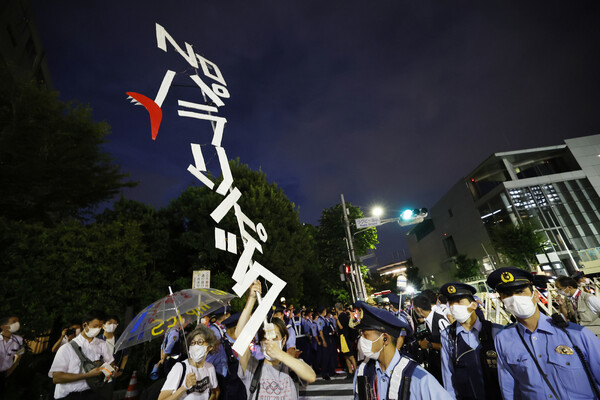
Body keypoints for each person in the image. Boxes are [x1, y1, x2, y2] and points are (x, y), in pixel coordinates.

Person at [487, 266, 600, 399]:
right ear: (502, 301)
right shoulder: (503, 339)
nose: (515, 298)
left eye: (520, 291)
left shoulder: (575, 334)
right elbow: (510, 389)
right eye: (507, 294)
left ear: (535, 295)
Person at [353, 301, 452, 399]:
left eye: (365, 335)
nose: (361, 340)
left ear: (385, 339)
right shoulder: (362, 372)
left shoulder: (418, 378)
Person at [236, 280, 316, 399]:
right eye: (265, 338)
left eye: (275, 338)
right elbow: (239, 335)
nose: (270, 342)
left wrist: (280, 354)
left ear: (283, 340)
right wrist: (252, 299)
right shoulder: (252, 367)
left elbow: (311, 376)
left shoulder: (291, 366)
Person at [439, 282, 502, 400]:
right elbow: (448, 375)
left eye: (459, 301)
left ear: (474, 305)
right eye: (451, 303)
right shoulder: (448, 336)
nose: (454, 306)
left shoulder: (496, 331)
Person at [48, 310, 119, 399]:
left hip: (93, 392)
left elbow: (111, 363)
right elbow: (57, 378)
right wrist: (88, 375)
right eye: (95, 326)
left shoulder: (102, 344)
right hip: (69, 395)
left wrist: (114, 369)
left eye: (100, 327)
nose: (97, 329)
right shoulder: (66, 348)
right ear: (85, 325)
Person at [158, 325, 220, 400]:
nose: (195, 346)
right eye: (193, 343)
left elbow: (216, 392)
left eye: (200, 342)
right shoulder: (180, 368)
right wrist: (184, 387)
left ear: (210, 347)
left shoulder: (210, 368)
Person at [412, 294, 449, 384]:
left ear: (418, 309)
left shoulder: (440, 320)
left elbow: (450, 345)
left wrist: (429, 345)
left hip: (445, 365)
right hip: (436, 362)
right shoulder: (428, 320)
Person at [0, 316, 24, 393]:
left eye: (18, 322)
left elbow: (19, 355)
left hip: (4, 375)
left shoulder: (18, 340)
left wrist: (11, 369)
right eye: (13, 322)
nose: (17, 324)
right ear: (3, 326)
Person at [334, 303, 357, 379]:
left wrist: (337, 319)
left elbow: (341, 327)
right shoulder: (342, 315)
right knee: (346, 356)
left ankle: (356, 371)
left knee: (350, 355)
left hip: (345, 337)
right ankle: (350, 372)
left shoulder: (342, 316)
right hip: (343, 337)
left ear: (336, 309)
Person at [316, 306, 336, 380]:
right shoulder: (320, 320)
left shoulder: (325, 319)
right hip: (325, 338)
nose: (326, 311)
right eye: (325, 310)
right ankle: (324, 374)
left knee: (331, 355)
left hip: (330, 337)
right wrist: (323, 340)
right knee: (325, 357)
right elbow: (320, 331)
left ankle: (331, 371)